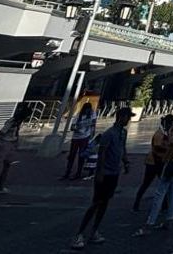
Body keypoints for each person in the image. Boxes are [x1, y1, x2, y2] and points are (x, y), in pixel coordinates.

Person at [70, 106, 132, 250]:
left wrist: (126, 162)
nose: (129, 120)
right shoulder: (109, 134)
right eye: (127, 117)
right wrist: (99, 173)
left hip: (114, 173)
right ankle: (79, 234)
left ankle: (94, 231)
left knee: (105, 203)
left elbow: (122, 148)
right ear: (121, 117)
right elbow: (102, 153)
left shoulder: (123, 133)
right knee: (96, 202)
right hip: (105, 173)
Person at [134, 110, 173, 235]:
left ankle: (150, 223)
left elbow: (171, 142)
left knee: (159, 193)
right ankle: (169, 219)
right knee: (172, 192)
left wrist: (171, 130)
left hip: (171, 162)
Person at [133, 114, 173, 211]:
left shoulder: (165, 133)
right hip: (154, 163)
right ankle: (137, 204)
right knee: (149, 183)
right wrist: (168, 149)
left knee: (158, 183)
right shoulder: (159, 134)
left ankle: (164, 205)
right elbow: (157, 147)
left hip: (157, 162)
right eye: (171, 124)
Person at [62, 103, 97, 180]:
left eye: (89, 109)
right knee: (72, 155)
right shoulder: (78, 116)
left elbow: (93, 124)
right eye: (87, 109)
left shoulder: (92, 114)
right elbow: (72, 127)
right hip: (76, 137)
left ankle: (78, 172)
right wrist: (76, 128)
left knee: (81, 155)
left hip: (85, 137)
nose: (88, 111)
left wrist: (91, 136)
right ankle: (68, 172)